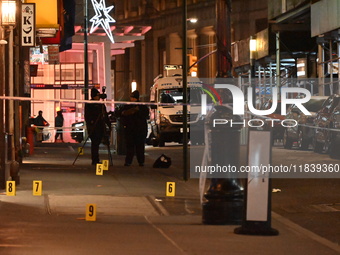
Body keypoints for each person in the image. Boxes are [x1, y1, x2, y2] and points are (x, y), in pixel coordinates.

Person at [116, 90, 149, 166]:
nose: (131, 99)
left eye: (132, 97)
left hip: (134, 130)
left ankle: (133, 161)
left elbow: (122, 114)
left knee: (134, 147)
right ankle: (137, 161)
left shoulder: (136, 106)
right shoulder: (140, 106)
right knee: (136, 147)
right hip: (136, 130)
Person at [85, 88, 111, 165]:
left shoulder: (101, 105)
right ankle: (95, 159)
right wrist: (91, 124)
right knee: (95, 144)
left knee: (97, 143)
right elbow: (88, 116)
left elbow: (105, 116)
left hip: (100, 126)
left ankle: (96, 159)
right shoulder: (89, 104)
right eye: (97, 95)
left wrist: (108, 124)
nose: (99, 97)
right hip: (94, 127)